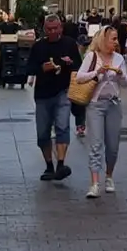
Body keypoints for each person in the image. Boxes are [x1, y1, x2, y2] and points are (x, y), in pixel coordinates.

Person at [74, 26, 127, 198]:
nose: (116, 42)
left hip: (113, 104)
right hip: (95, 105)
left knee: (112, 146)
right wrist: (97, 72)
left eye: (116, 39)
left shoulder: (119, 58)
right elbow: (79, 77)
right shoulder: (92, 56)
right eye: (113, 39)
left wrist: (120, 75)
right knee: (96, 144)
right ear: (103, 40)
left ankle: (109, 176)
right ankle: (94, 183)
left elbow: (126, 84)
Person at [28, 15, 79, 181]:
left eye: (55, 28)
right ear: (44, 29)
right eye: (49, 29)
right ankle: (49, 165)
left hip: (63, 91)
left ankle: (61, 164)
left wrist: (69, 63)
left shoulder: (69, 44)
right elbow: (29, 67)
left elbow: (78, 66)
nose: (52, 32)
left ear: (61, 28)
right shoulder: (38, 46)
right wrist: (42, 68)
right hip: (42, 94)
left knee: (62, 126)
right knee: (43, 132)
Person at [0, 12, 20, 87]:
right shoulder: (15, 26)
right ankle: (8, 80)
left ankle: (1, 80)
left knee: (3, 63)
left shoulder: (3, 25)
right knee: (8, 63)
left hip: (4, 47)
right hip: (11, 47)